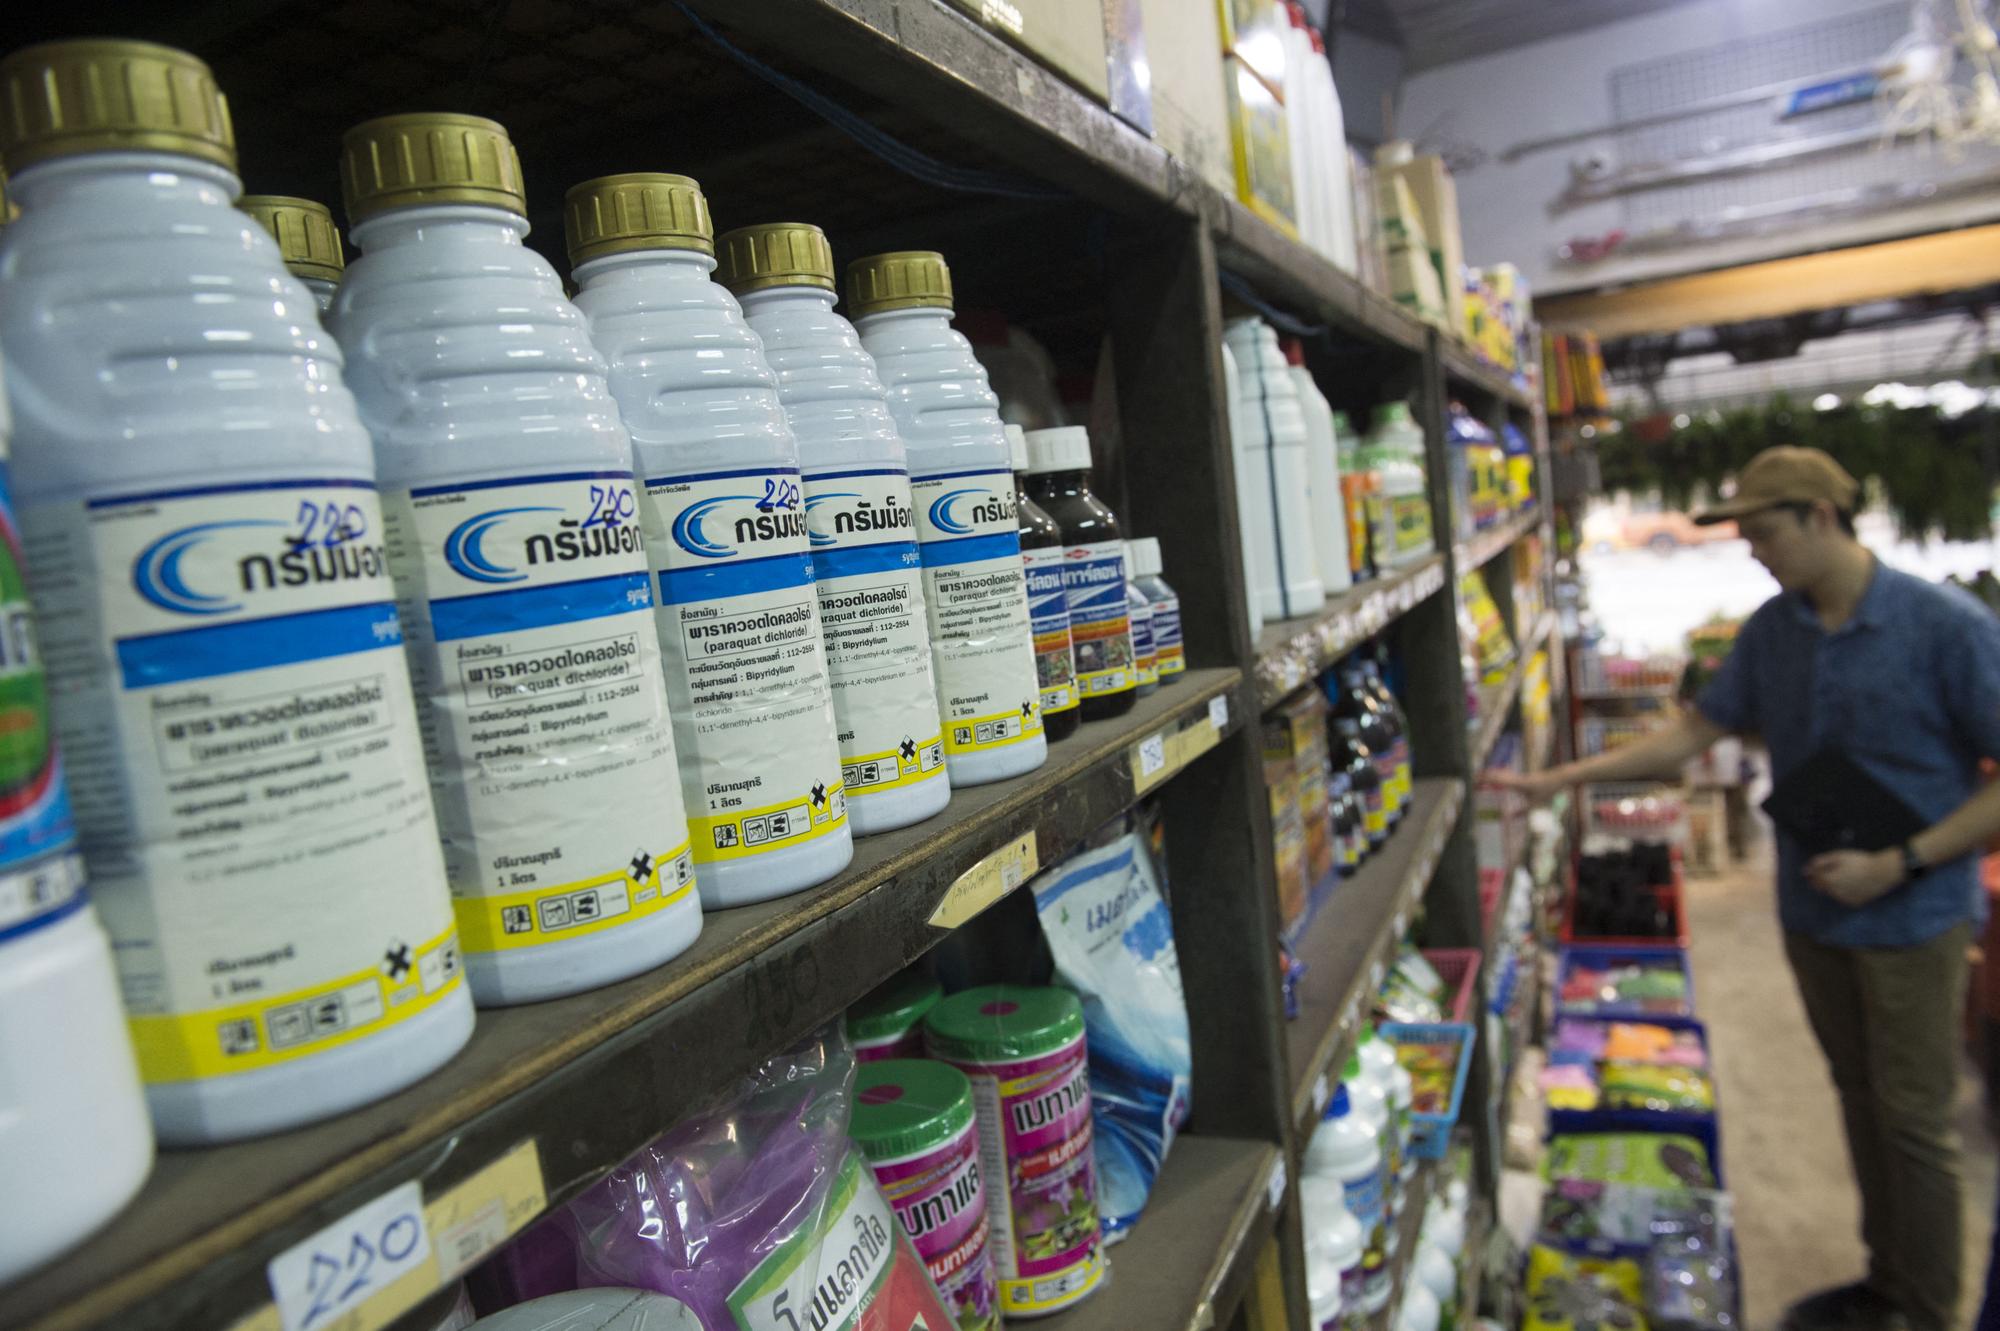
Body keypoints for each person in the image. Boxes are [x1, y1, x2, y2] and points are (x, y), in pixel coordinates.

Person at [1497, 446, 2000, 1331]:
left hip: (1911, 914)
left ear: (1820, 515)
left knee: (1913, 1120)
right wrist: (1560, 779)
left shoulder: (1945, 627)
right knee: (1856, 1093)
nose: (1755, 553)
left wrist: (1904, 861)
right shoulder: (1775, 632)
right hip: (1812, 910)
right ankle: (1885, 1283)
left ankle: (1925, 1309)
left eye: (1765, 532)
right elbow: (1693, 733)